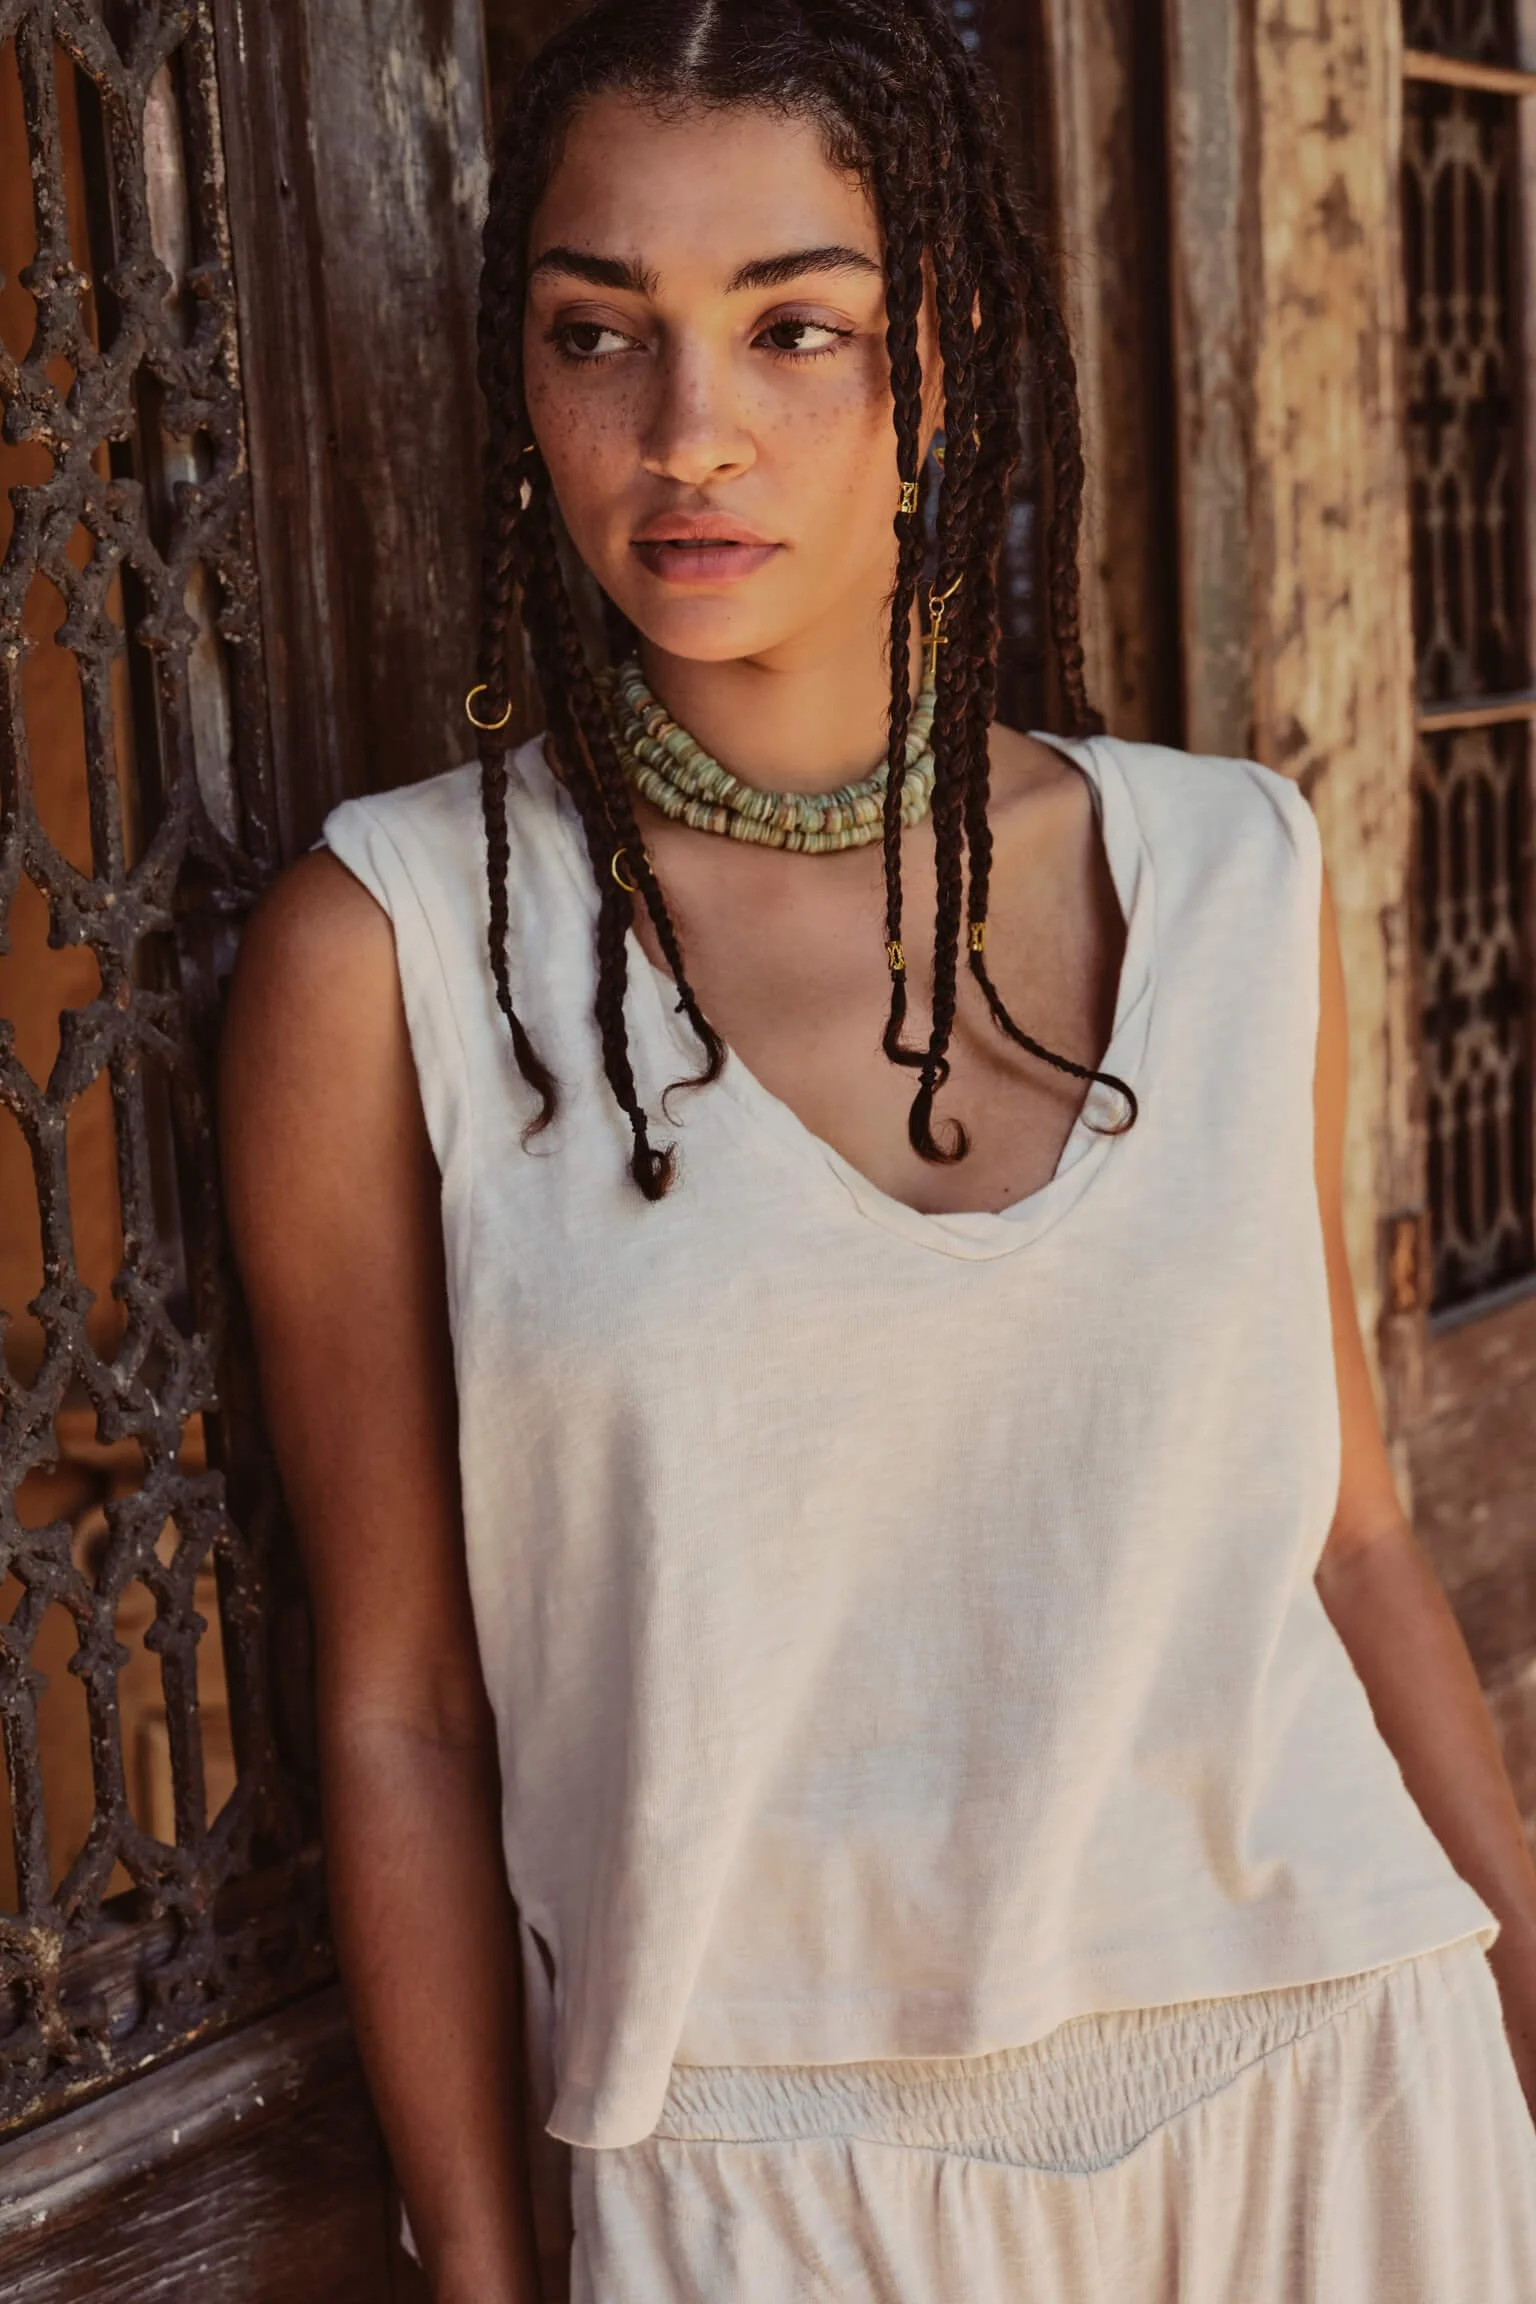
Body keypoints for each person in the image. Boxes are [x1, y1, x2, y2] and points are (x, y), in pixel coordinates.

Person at [218, 3, 1536, 2298]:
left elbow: (1346, 1534)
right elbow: (406, 1707)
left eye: (793, 328)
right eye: (595, 332)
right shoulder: (400, 947)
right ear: (523, 384)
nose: (687, 430)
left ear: (948, 361)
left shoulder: (1226, 871)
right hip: (759, 2172)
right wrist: (481, 2269)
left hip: (1347, 2098)